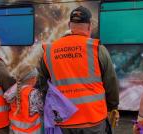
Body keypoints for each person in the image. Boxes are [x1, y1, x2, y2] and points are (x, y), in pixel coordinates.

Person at [37, 6, 119, 134]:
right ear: (90, 26)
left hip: (63, 120)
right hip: (93, 120)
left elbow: (42, 85)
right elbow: (111, 83)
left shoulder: (49, 51)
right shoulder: (97, 49)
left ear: (69, 25)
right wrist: (113, 107)